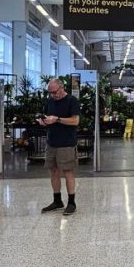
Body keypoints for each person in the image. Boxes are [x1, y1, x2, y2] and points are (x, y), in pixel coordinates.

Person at [38, 78, 80, 215]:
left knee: (68, 172)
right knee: (53, 171)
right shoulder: (50, 101)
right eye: (50, 92)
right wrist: (44, 121)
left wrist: (57, 119)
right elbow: (47, 117)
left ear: (62, 88)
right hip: (52, 142)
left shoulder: (72, 101)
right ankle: (57, 200)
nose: (53, 95)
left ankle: (71, 202)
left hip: (67, 143)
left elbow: (75, 121)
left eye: (54, 92)